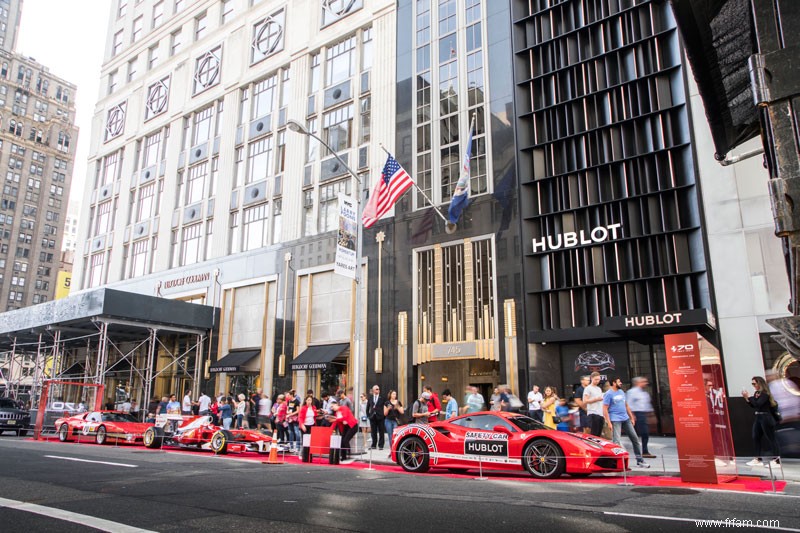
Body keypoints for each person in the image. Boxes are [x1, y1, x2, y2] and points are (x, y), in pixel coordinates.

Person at [603, 377, 649, 468]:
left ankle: (640, 460)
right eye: (619, 381)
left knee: (635, 439)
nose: (621, 383)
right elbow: (605, 408)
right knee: (616, 441)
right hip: (615, 419)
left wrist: (631, 417)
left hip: (625, 418)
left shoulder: (621, 392)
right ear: (614, 382)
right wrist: (609, 422)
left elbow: (626, 405)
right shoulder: (608, 394)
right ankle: (616, 463)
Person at [743, 375, 781, 467]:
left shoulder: (765, 393)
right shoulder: (757, 393)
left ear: (759, 383)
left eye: (754, 383)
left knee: (771, 439)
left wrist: (749, 397)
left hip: (766, 418)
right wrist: (747, 399)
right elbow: (754, 405)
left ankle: (776, 461)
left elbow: (758, 404)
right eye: (752, 384)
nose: (753, 385)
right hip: (759, 417)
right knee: (755, 437)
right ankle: (758, 459)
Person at [627, 377, 656, 458]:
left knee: (644, 433)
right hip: (636, 414)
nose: (645, 383)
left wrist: (651, 415)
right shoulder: (631, 392)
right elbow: (628, 404)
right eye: (643, 382)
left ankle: (644, 450)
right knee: (636, 433)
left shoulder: (644, 393)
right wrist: (632, 415)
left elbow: (647, 405)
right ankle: (639, 450)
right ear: (637, 383)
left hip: (643, 414)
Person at [583, 372, 605, 437]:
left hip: (600, 413)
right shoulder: (588, 388)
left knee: (599, 434)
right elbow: (585, 400)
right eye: (596, 379)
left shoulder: (599, 389)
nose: (597, 381)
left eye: (598, 379)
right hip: (593, 412)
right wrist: (596, 399)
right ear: (591, 378)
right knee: (594, 434)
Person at [366, 384, 387, 450]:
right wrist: (368, 416)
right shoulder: (370, 398)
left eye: (378, 389)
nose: (378, 390)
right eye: (376, 389)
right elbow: (368, 407)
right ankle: (374, 445)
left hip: (380, 417)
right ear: (373, 390)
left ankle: (381, 445)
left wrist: (383, 416)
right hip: (372, 417)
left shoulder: (382, 398)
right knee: (373, 432)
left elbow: (385, 407)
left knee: (381, 431)